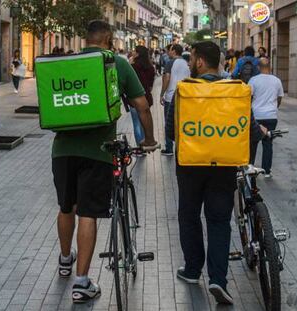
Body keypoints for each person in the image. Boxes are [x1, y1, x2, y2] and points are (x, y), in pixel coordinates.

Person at [52, 20, 157, 303]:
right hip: (98, 151)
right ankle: (82, 282)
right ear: (109, 39)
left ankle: (65, 260)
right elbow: (143, 105)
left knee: (66, 206)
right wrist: (149, 139)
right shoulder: (117, 64)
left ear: (85, 39)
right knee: (88, 212)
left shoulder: (69, 62)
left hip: (62, 149)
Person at [164, 41, 265, 305]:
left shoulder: (184, 91)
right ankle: (218, 279)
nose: (188, 64)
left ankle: (192, 269)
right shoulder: (235, 91)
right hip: (223, 166)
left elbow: (170, 132)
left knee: (189, 216)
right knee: (219, 221)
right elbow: (251, 132)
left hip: (189, 166)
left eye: (191, 59)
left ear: (198, 62)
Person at [248, 58, 284, 178]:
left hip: (257, 115)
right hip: (271, 116)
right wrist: (275, 107)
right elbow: (279, 98)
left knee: (253, 143)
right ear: (270, 66)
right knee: (268, 144)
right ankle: (267, 170)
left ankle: (250, 167)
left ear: (258, 67)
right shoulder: (277, 81)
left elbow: (249, 97)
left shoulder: (253, 80)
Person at [160, 44, 190, 156]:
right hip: (184, 96)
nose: (168, 52)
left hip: (170, 96)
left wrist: (162, 93)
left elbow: (166, 78)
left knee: (168, 122)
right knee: (181, 122)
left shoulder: (170, 62)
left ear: (173, 51)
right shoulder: (187, 63)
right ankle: (181, 146)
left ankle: (169, 148)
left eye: (169, 50)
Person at [131, 45, 156, 154]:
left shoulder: (133, 66)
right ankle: (147, 141)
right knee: (144, 121)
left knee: (137, 123)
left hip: (134, 99)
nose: (132, 52)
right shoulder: (151, 67)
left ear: (138, 54)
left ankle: (140, 148)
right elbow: (150, 85)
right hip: (146, 97)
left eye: (134, 51)